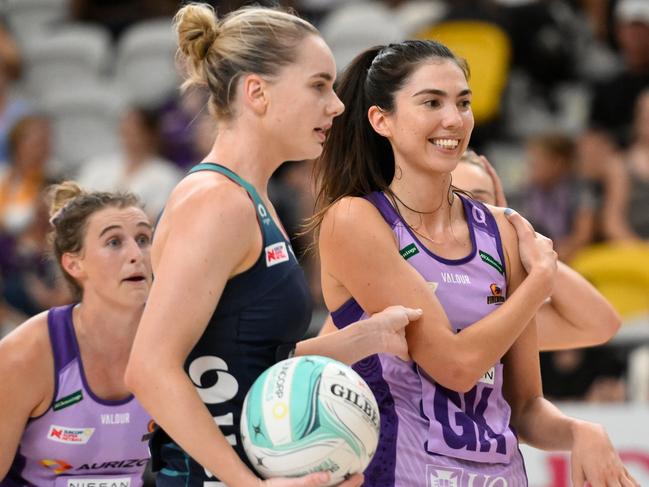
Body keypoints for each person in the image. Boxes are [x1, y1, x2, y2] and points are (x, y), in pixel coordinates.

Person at [310, 40, 638, 486]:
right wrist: (537, 283)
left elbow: (524, 408)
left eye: (463, 102)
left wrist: (581, 430)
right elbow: (456, 368)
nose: (454, 118)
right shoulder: (354, 219)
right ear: (380, 119)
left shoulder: (500, 230)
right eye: (431, 102)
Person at [124, 5, 421, 487]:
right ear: (257, 92)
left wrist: (362, 340)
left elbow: (241, 356)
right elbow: (150, 369)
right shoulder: (218, 203)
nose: (338, 105)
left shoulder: (249, 197)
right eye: (318, 85)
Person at [0, 181, 153, 486]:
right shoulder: (26, 352)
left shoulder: (175, 340)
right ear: (74, 264)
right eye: (114, 242)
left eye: (143, 238)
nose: (136, 254)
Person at [452, 149, 621, 350]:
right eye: (454, 197)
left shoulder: (497, 300)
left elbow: (602, 325)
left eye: (481, 201)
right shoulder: (413, 278)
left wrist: (513, 235)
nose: (470, 211)